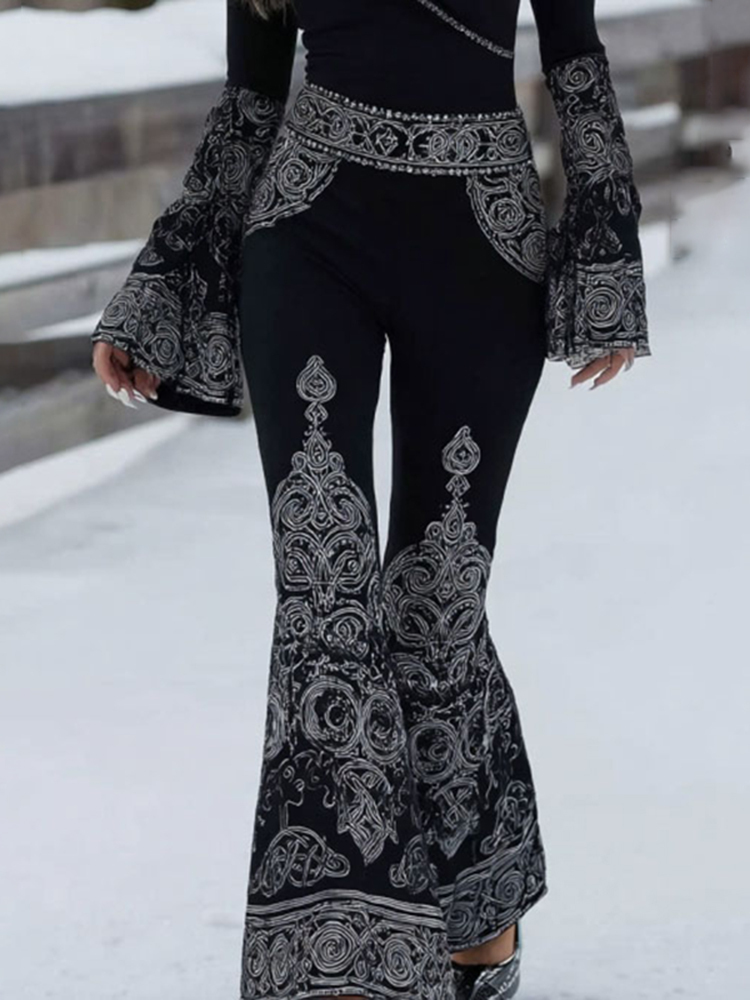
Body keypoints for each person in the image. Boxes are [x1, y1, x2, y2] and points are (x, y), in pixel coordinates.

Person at [91, 1, 651, 997]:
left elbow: (575, 59)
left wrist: (605, 245)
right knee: (326, 590)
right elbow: (250, 99)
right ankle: (343, 961)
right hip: (308, 235)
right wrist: (164, 284)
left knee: (436, 599)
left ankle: (475, 905)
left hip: (482, 243)